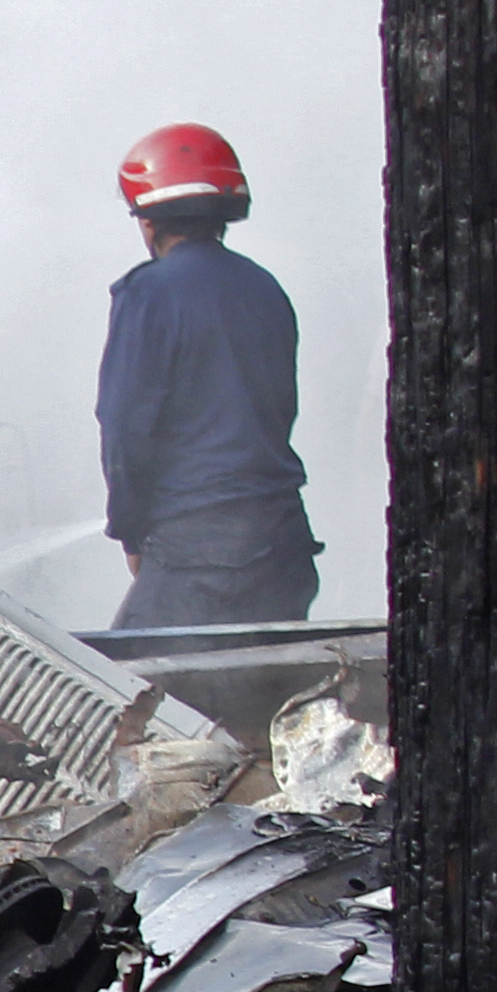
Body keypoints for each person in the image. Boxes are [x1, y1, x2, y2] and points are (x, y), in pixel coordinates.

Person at [95, 123, 318, 635]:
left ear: (148, 220)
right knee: (262, 701)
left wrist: (128, 532)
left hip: (201, 558)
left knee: (140, 696)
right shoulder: (265, 290)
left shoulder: (149, 293)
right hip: (285, 548)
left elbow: (125, 426)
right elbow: (276, 409)